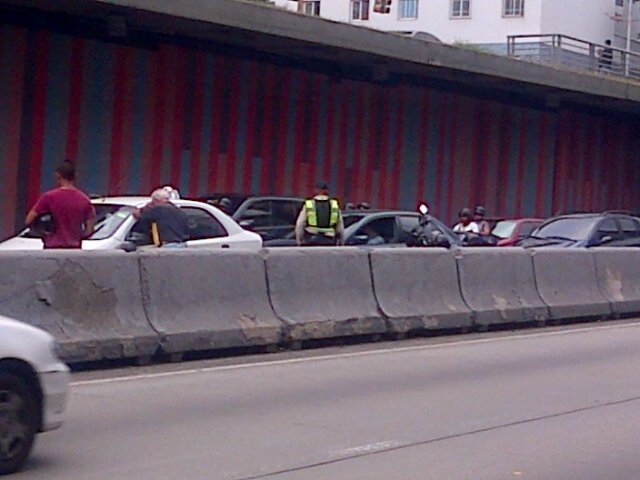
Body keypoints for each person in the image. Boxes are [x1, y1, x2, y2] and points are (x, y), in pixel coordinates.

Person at [25, 160, 96, 249]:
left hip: (52, 247)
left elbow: (29, 219)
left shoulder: (48, 197)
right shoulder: (84, 199)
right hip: (74, 249)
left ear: (58, 176)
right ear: (75, 176)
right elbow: (89, 229)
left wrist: (43, 232)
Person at [295, 182, 345, 246]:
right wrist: (341, 241)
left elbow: (300, 224)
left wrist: (299, 240)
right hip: (329, 240)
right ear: (327, 191)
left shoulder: (309, 204)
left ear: (316, 190)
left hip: (311, 239)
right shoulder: (334, 205)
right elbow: (340, 227)